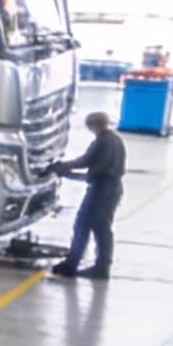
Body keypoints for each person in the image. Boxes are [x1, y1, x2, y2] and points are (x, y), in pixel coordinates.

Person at [50, 111, 127, 280]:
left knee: (83, 225)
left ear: (95, 125)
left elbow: (85, 161)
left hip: (101, 190)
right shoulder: (116, 140)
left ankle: (71, 264)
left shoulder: (102, 142)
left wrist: (63, 166)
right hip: (113, 189)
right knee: (102, 228)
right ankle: (102, 267)